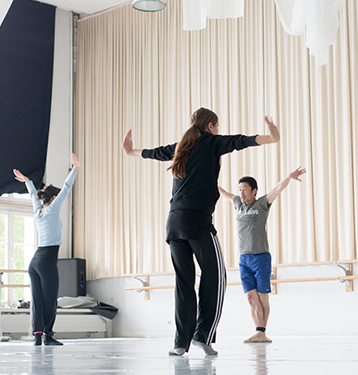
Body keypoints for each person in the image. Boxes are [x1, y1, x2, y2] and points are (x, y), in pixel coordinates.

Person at [122, 108, 280, 356]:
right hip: (197, 222)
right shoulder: (211, 142)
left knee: (184, 282)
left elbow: (154, 153)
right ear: (210, 126)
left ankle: (180, 344)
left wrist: (130, 151)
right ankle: (202, 335)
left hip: (174, 223)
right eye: (217, 127)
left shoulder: (181, 146)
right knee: (216, 277)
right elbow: (241, 141)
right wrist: (272, 137)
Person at [218, 167, 305, 343]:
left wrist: (289, 177)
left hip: (261, 257)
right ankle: (259, 332)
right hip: (244, 258)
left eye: (245, 189)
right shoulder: (238, 204)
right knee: (251, 296)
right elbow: (223, 192)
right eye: (240, 189)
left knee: (262, 296)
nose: (241, 193)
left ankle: (261, 332)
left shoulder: (262, 204)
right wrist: (206, 176)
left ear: (254, 191)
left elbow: (277, 190)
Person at [14, 153, 80, 346]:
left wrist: (28, 181)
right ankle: (48, 336)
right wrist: (75, 169)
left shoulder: (38, 211)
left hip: (34, 262)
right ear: (53, 197)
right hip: (47, 261)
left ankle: (37, 336)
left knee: (37, 300)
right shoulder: (51, 209)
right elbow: (66, 188)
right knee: (50, 300)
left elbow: (32, 195)